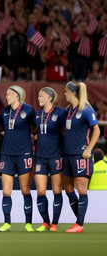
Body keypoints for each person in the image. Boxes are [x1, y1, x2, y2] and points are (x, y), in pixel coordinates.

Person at [63, 82, 100, 233]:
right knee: (69, 190)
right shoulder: (69, 109)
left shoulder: (86, 109)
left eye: (66, 91)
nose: (64, 93)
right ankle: (79, 220)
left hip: (80, 154)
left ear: (73, 93)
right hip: (68, 154)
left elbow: (96, 130)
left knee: (81, 189)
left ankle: (79, 224)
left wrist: (89, 149)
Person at [0, 85, 36, 232]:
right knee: (6, 192)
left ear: (17, 96)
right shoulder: (4, 111)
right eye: (6, 94)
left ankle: (28, 223)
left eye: (9, 94)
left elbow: (35, 127)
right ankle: (7, 223)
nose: (6, 96)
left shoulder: (29, 110)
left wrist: (31, 136)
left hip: (24, 154)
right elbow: (0, 128)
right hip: (7, 154)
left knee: (25, 190)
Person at [33, 87, 66, 232]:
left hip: (56, 156)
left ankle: (54, 223)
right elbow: (34, 131)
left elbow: (66, 132)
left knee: (56, 190)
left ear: (50, 98)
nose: (39, 98)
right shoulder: (37, 114)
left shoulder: (60, 113)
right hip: (40, 157)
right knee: (40, 191)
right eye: (39, 96)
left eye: (42, 96)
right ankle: (45, 222)